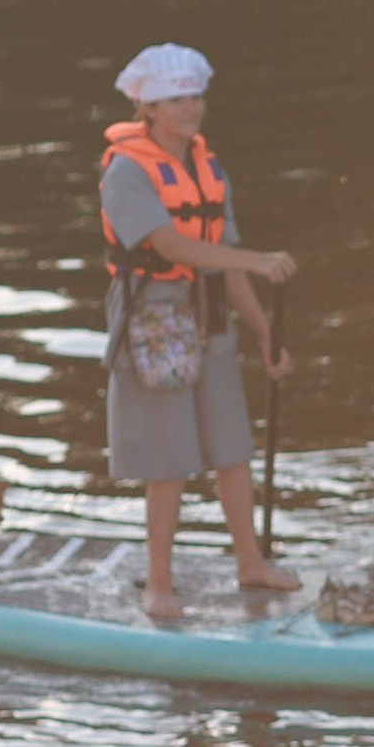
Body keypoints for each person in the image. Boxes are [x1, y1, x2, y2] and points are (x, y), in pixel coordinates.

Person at [100, 44, 298, 620]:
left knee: (231, 445)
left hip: (207, 313)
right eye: (175, 100)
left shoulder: (206, 166)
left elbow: (221, 258)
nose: (190, 109)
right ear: (149, 108)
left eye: (195, 96)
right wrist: (259, 261)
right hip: (154, 315)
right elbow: (168, 245)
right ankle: (158, 584)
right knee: (169, 458)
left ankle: (250, 563)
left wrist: (265, 334)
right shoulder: (128, 170)